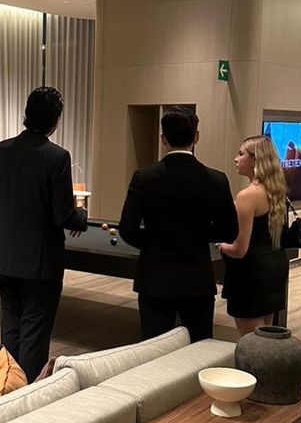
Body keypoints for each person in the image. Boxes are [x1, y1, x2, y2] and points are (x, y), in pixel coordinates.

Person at [0, 86, 87, 382]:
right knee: (34, 334)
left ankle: (6, 386)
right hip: (41, 262)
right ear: (56, 120)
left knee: (10, 329)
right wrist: (82, 215)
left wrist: (13, 218)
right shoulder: (57, 157)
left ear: (26, 114)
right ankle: (29, 395)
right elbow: (63, 215)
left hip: (6, 257)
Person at [119, 107, 238, 341]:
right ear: (196, 137)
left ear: (163, 138)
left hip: (155, 278)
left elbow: (127, 229)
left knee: (155, 348)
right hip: (197, 280)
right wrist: (198, 236)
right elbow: (230, 230)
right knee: (198, 348)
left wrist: (155, 242)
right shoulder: (216, 179)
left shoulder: (145, 177)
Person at [217, 136, 289, 336]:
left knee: (251, 342)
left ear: (255, 160)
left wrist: (220, 246)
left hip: (252, 273)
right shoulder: (277, 191)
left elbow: (240, 250)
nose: (236, 159)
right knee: (265, 335)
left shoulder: (247, 196)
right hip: (274, 267)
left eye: (241, 154)